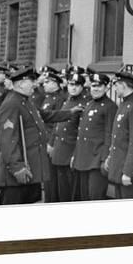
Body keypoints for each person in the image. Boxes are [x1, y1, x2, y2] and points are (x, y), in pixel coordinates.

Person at [0, 67, 49, 205]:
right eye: (32, 81)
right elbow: (7, 140)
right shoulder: (12, 103)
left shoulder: (25, 100)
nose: (36, 84)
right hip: (18, 173)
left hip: (30, 168)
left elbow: (43, 116)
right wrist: (17, 167)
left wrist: (70, 113)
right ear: (20, 84)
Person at [71, 73, 117, 200]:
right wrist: (75, 155)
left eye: (99, 86)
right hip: (83, 159)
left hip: (97, 161)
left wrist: (105, 159)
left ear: (106, 88)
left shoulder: (110, 107)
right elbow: (81, 134)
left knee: (94, 197)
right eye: (93, 86)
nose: (95, 89)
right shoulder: (89, 104)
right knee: (83, 197)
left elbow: (110, 135)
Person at [105, 72, 133, 199]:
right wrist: (110, 157)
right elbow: (118, 137)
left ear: (123, 85)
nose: (115, 89)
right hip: (119, 164)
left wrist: (128, 171)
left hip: (128, 170)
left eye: (117, 85)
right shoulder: (124, 104)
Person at [48, 73, 91, 202]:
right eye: (71, 84)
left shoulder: (84, 104)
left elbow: (82, 132)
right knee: (59, 185)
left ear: (82, 87)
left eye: (77, 85)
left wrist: (75, 154)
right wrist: (51, 142)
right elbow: (58, 124)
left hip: (71, 148)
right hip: (59, 147)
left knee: (69, 187)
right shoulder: (67, 100)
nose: (73, 88)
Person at [38, 70, 67, 202]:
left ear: (56, 84)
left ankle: (52, 200)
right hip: (44, 136)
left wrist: (52, 142)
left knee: (52, 173)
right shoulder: (48, 97)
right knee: (46, 172)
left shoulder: (60, 99)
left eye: (47, 82)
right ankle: (48, 198)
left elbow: (58, 122)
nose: (44, 84)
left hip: (52, 138)